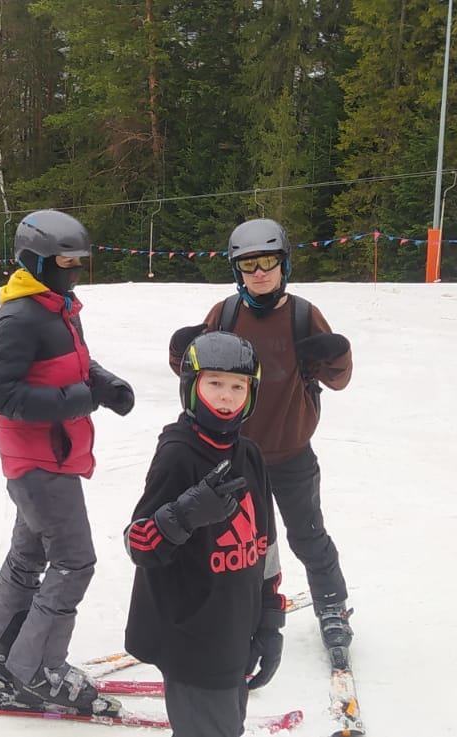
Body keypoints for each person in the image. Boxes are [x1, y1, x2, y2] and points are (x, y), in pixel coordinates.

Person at [166, 217, 356, 653]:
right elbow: (199, 375)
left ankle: (332, 606)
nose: (259, 272)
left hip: (291, 455)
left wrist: (337, 354)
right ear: (237, 271)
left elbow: (338, 380)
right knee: (239, 542)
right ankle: (239, 606)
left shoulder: (303, 315)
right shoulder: (226, 315)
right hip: (233, 455)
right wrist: (180, 351)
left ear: (283, 265)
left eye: (268, 262)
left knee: (308, 535)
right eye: (248, 265)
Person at [0, 209, 134, 716]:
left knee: (29, 554)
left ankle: (3, 646)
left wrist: (105, 385)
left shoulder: (58, 307)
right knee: (73, 560)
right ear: (35, 261)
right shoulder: (20, 317)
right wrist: (78, 400)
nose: (75, 271)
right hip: (38, 460)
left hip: (50, 456)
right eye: (65, 262)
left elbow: (76, 363)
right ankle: (37, 670)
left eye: (79, 262)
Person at [126, 331, 285, 737]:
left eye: (238, 386)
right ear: (191, 387)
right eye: (214, 383)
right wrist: (183, 515)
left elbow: (265, 543)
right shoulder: (178, 454)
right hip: (191, 638)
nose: (226, 396)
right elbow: (139, 543)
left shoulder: (249, 454)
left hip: (235, 631)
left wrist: (270, 621)